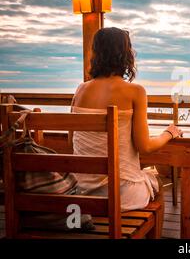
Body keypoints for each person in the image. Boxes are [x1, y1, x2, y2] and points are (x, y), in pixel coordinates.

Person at [70, 27, 182, 217]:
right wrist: (169, 133)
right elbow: (144, 146)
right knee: (157, 186)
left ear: (95, 54)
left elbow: (71, 140)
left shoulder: (80, 90)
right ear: (126, 54)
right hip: (120, 193)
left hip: (81, 192)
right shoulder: (135, 91)